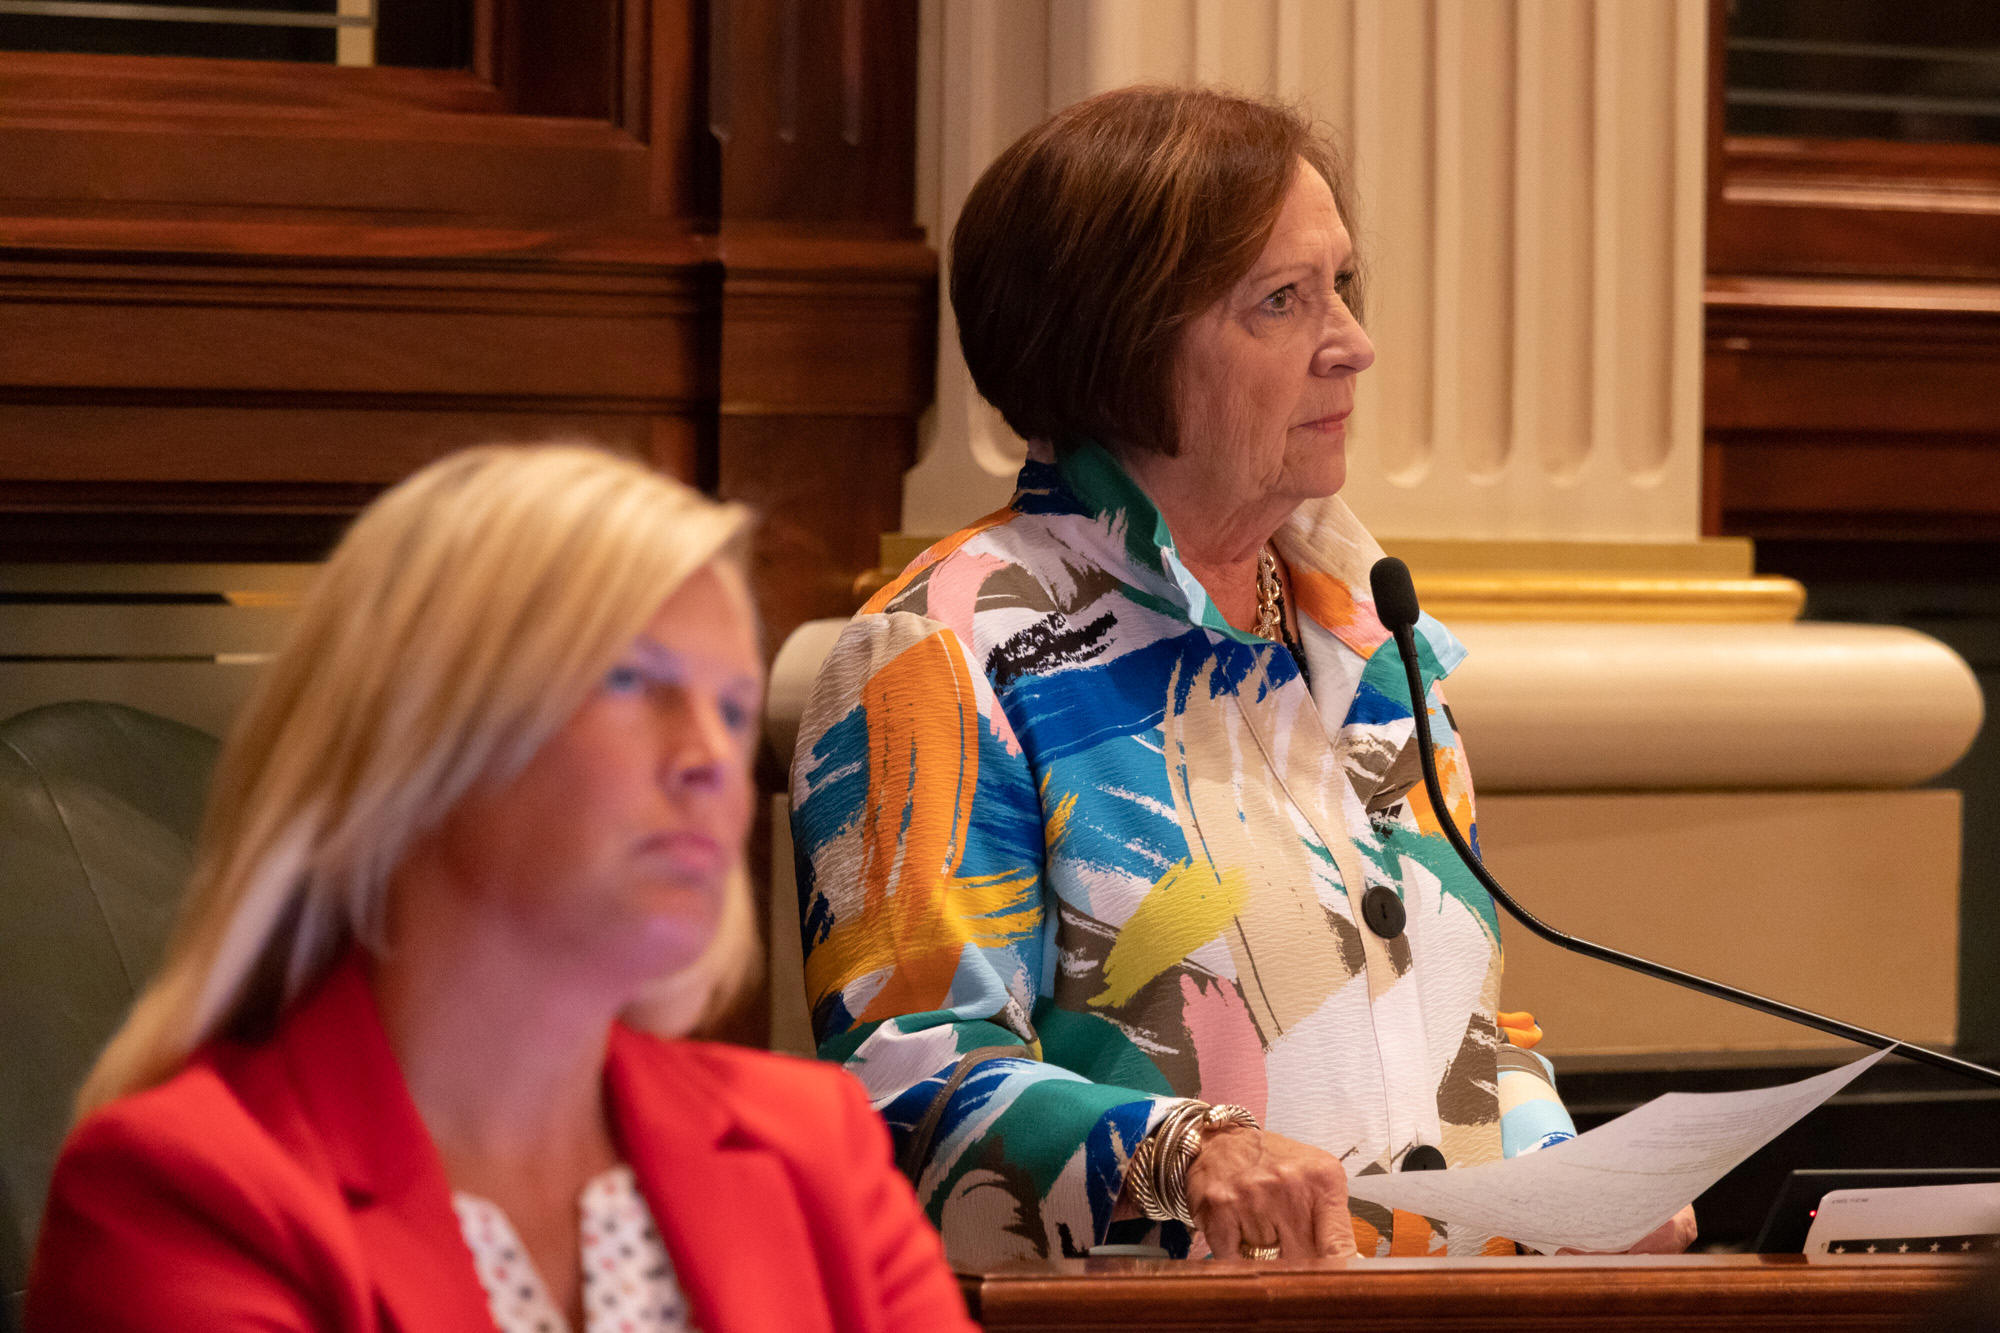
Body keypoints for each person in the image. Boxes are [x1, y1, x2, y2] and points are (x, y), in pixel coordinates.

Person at [789, 85, 1696, 1267]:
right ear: (1118, 344)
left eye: (1342, 286)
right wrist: (1179, 1153)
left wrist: (1570, 1182)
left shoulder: (1372, 641)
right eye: (1281, 300)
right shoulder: (941, 651)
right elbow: (899, 1083)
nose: (1352, 342)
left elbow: (1455, 1035)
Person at [28, 445, 975, 1332]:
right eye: (632, 680)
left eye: (732, 709)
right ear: (411, 738)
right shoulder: (184, 1189)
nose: (709, 759)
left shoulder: (816, 1149)